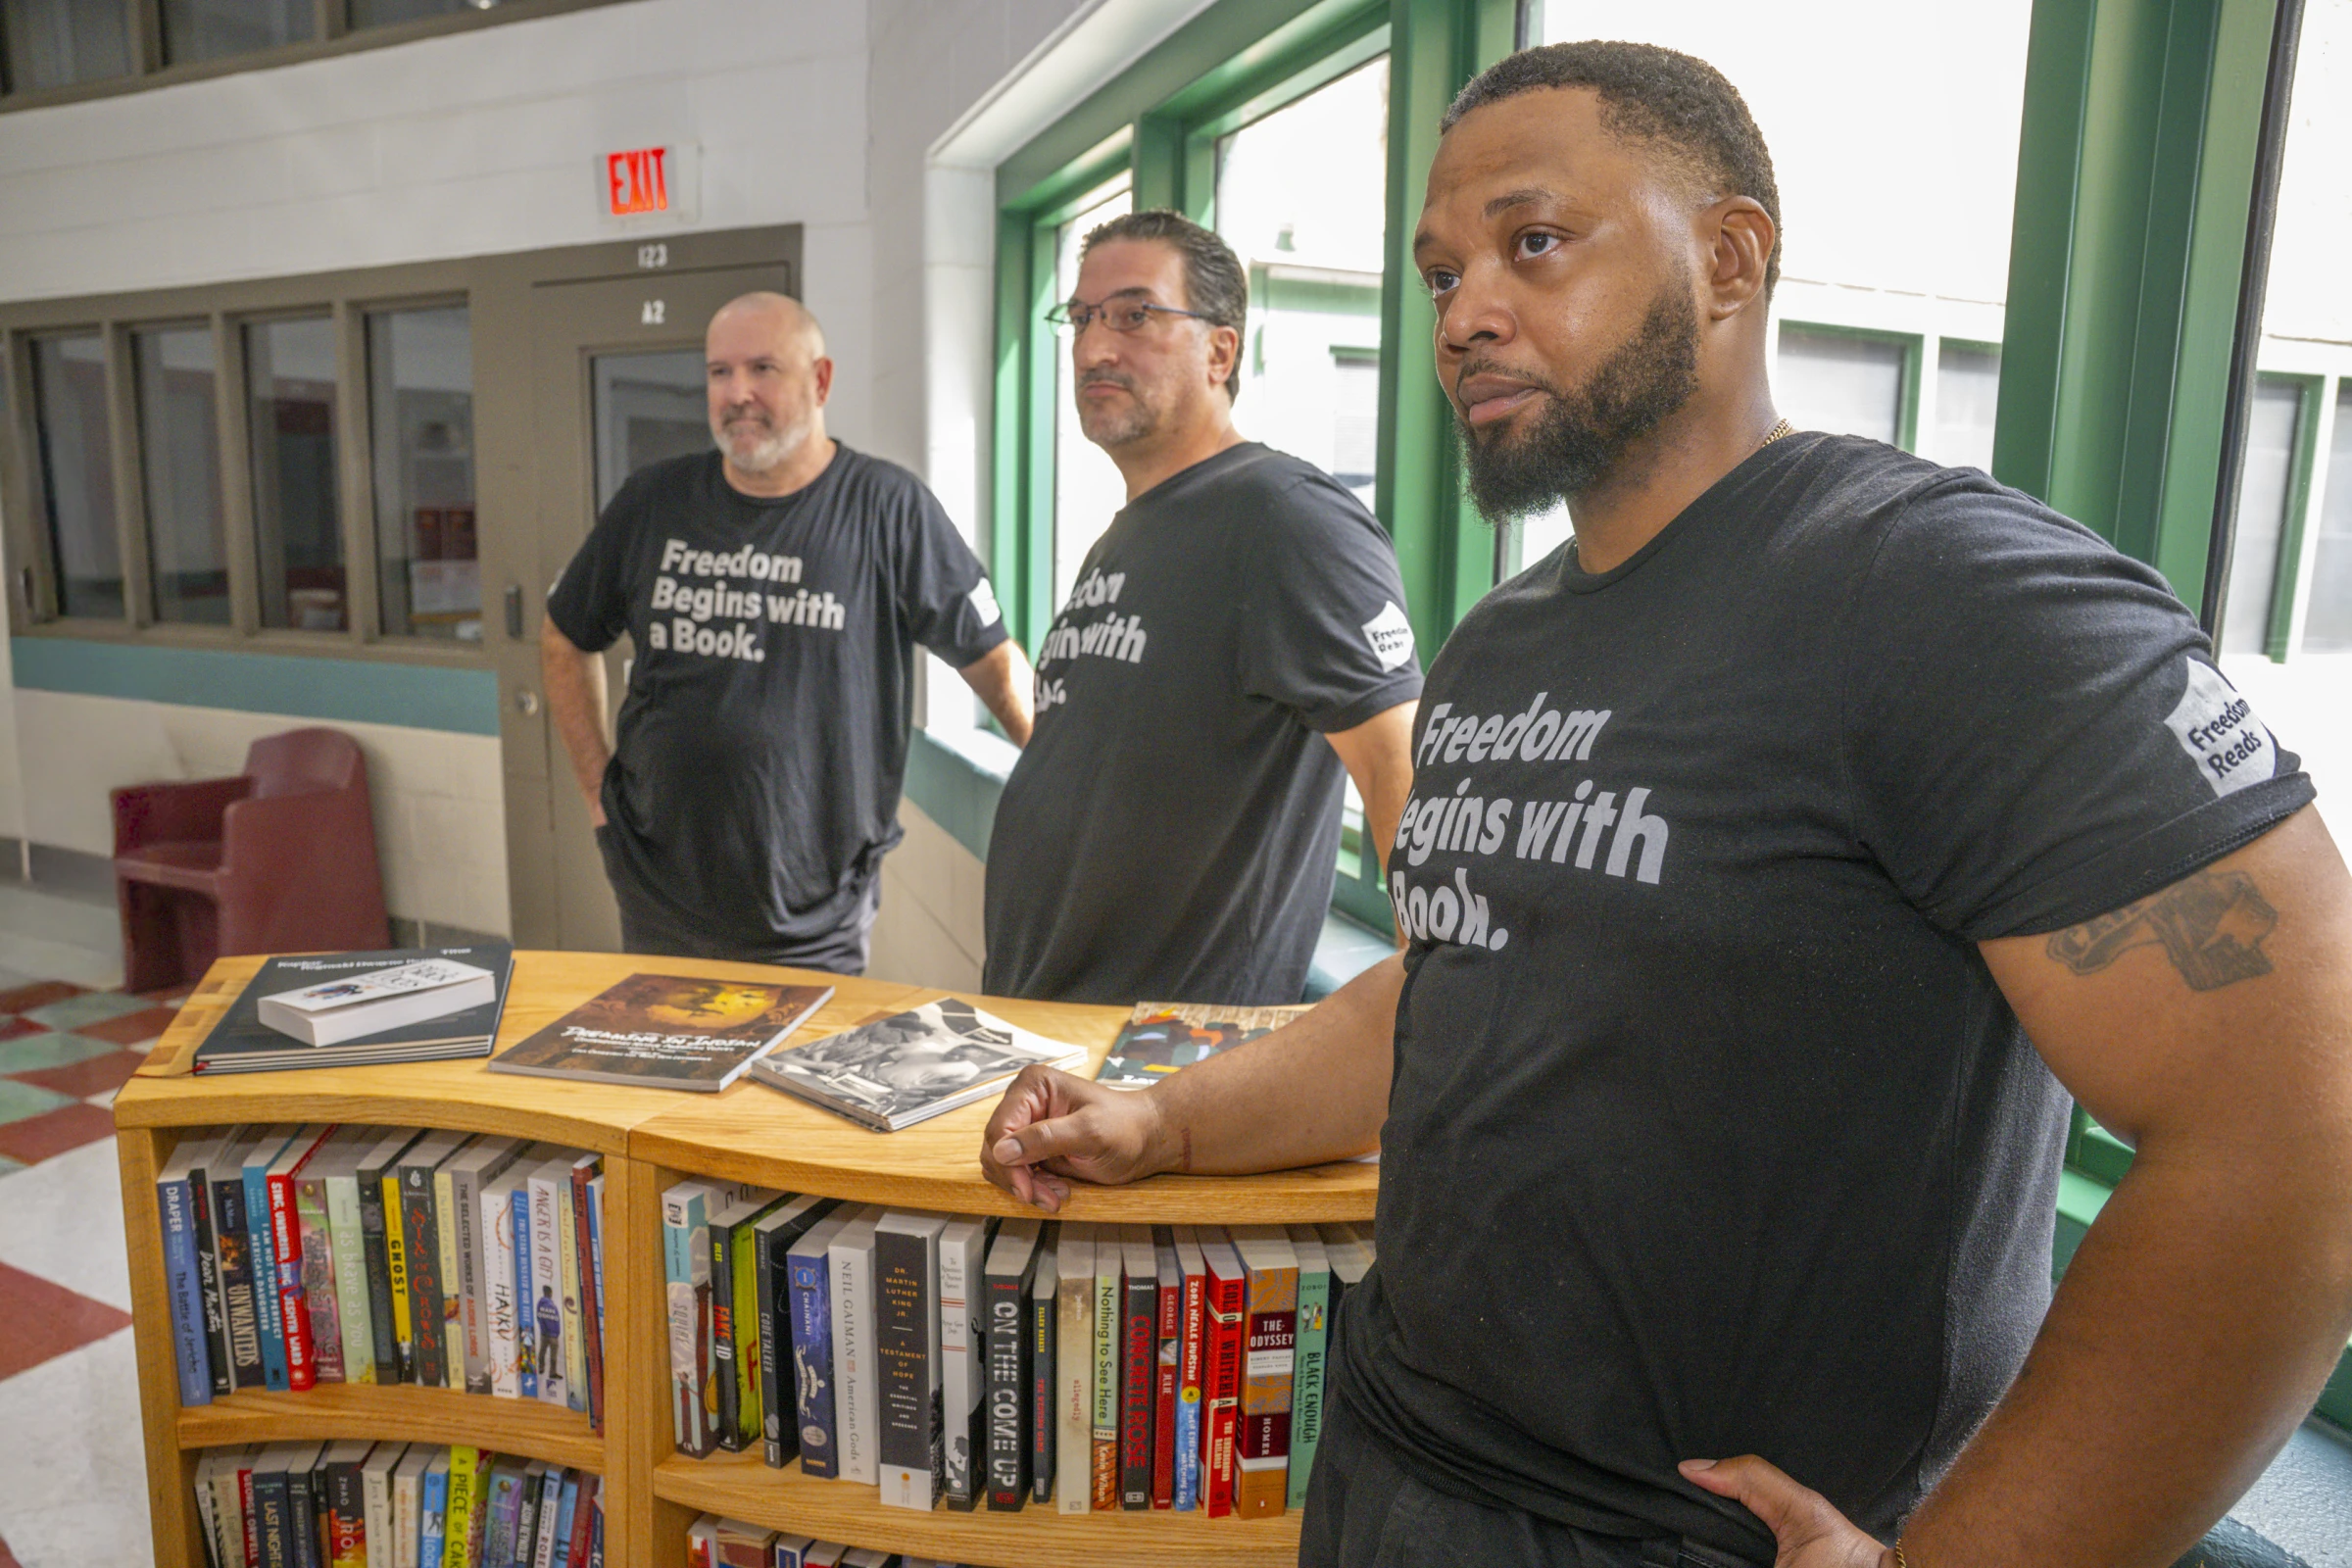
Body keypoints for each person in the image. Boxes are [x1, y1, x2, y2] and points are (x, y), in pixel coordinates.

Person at [979, 41, 2352, 1568]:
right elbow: (1451, 985)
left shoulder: (1944, 592)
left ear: (1730, 259)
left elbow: (2303, 1123)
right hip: (1393, 1464)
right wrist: (1164, 1123)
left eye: (1534, 242)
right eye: (1441, 274)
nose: (1466, 313)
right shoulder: (1501, 643)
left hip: (1683, 1532)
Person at [983, 211, 1423, 1006]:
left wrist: (1433, 1030)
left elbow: (1403, 771)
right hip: (1051, 1021)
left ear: (1220, 351)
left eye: (1134, 315)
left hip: (1170, 1054)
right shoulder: (1130, 532)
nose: (1094, 347)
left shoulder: (1286, 517)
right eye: (1081, 318)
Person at [543, 292, 1033, 973]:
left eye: (763, 368)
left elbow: (995, 664)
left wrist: (1064, 786)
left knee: (803, 1050)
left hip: (813, 915)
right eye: (720, 372)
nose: (737, 392)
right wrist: (598, 794)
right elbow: (564, 638)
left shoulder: (888, 509)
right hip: (658, 892)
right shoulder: (653, 502)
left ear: (820, 380)